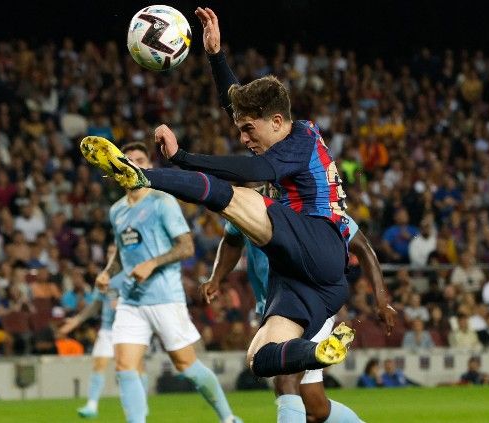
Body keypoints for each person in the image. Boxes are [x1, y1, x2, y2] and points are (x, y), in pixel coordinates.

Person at [81, 7, 395, 383]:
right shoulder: (282, 132)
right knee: (261, 357)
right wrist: (216, 56)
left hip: (318, 239)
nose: (244, 138)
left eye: (249, 130)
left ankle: (142, 178)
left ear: (277, 122)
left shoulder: (299, 140)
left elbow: (256, 172)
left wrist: (181, 158)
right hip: (311, 279)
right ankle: (321, 351)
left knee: (231, 197)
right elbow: (237, 103)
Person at [88, 142, 240, 423]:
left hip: (164, 297)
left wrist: (152, 263)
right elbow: (122, 251)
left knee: (186, 365)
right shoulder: (117, 210)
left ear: (147, 167)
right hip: (131, 301)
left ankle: (227, 417)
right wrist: (108, 272)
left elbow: (186, 247)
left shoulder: (162, 201)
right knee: (124, 366)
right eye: (127, 159)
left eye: (140, 160)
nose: (133, 164)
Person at [203, 208, 382, 422]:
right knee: (316, 408)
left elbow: (361, 245)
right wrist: (217, 277)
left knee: (285, 379)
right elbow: (231, 241)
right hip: (274, 311)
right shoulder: (246, 203)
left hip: (310, 305)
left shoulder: (312, 205)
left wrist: (381, 299)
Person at [58, 268, 148, 418]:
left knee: (136, 368)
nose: (110, 255)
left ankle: (140, 404)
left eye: (114, 252)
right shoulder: (104, 278)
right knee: (99, 364)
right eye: (109, 253)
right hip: (107, 330)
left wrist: (124, 304)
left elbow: (146, 300)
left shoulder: (133, 274)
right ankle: (92, 406)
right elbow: (95, 304)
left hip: (129, 329)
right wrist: (76, 321)